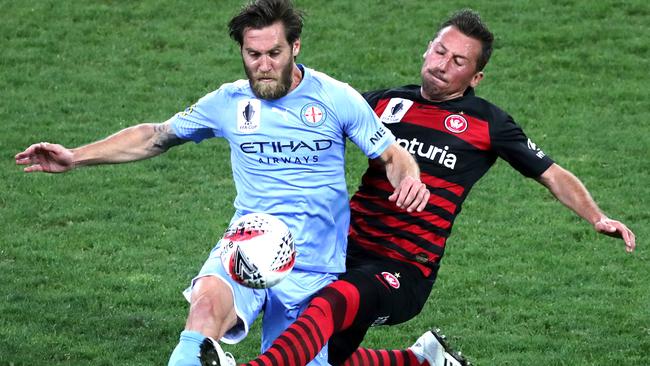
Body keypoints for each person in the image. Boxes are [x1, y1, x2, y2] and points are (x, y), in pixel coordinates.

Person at [199, 8, 637, 366]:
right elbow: (316, 123)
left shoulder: (487, 123)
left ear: (476, 78)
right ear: (427, 48)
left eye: (458, 61)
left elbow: (551, 173)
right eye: (440, 51)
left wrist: (597, 216)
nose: (443, 64)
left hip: (405, 269)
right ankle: (423, 360)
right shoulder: (383, 103)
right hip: (341, 253)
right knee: (323, 355)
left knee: (330, 306)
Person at [14, 1, 431, 365]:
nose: (263, 65)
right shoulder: (229, 102)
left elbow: (391, 155)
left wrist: (408, 178)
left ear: (295, 48)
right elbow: (156, 135)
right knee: (204, 311)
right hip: (245, 247)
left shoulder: (337, 98)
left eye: (274, 53)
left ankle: (420, 359)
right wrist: (76, 156)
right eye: (253, 55)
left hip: (315, 266)